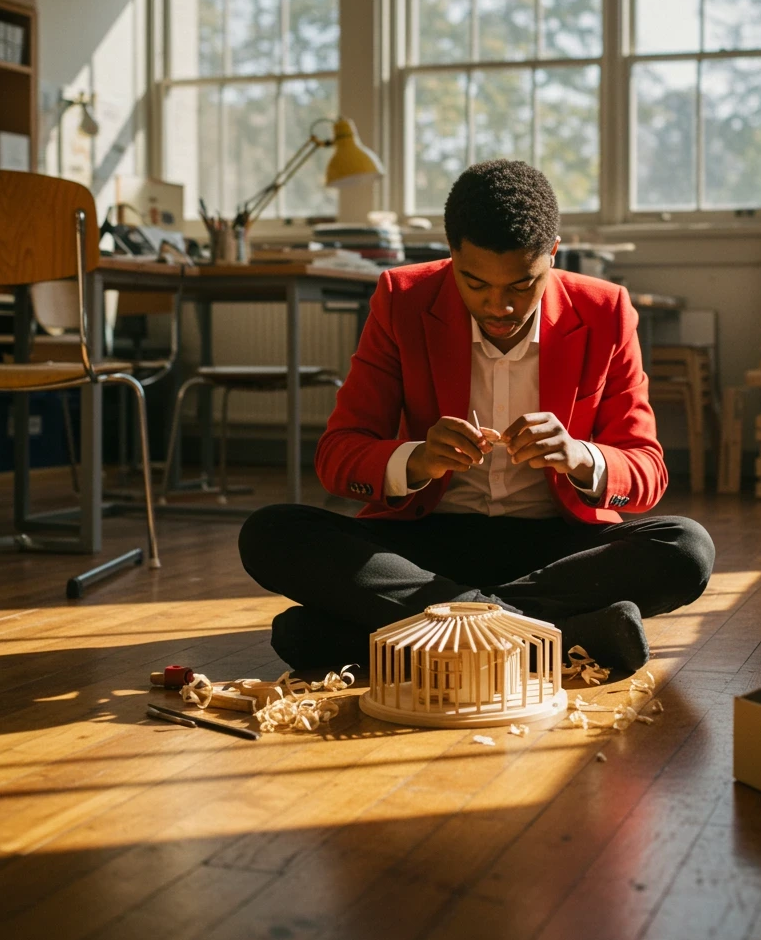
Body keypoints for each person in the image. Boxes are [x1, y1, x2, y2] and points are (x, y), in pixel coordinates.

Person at [239, 160, 714, 675]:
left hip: (558, 552)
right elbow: (337, 455)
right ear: (451, 254)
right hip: (426, 546)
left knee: (686, 547)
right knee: (271, 532)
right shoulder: (402, 299)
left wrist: (582, 457)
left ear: (552, 255)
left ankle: (386, 639)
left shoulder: (604, 309)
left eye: (520, 286)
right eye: (475, 283)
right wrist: (415, 460)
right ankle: (550, 638)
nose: (498, 305)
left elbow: (647, 469)